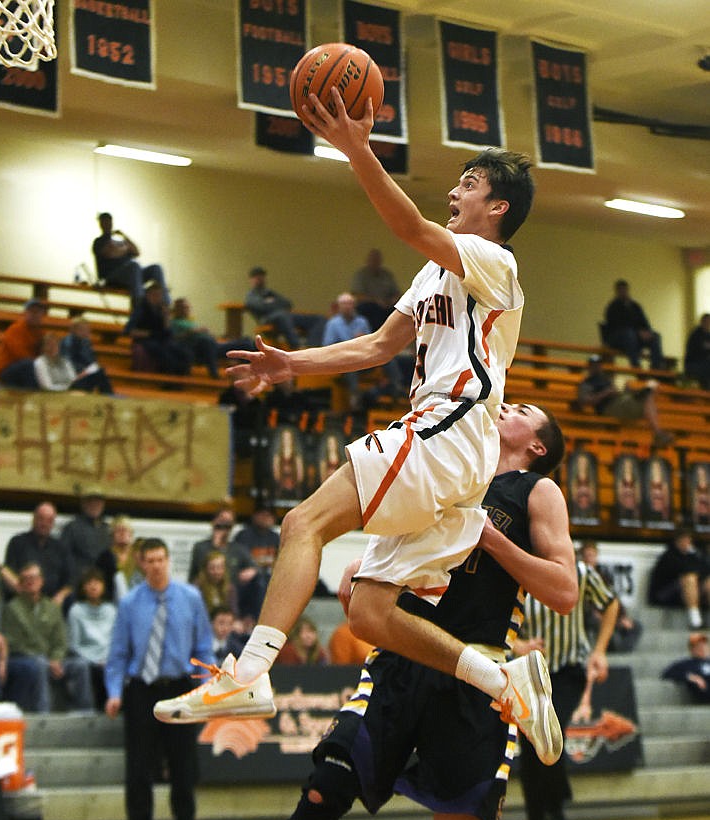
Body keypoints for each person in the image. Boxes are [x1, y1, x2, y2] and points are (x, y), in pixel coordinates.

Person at [154, 112, 562, 769]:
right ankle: (502, 679)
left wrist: (355, 149)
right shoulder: (434, 275)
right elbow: (378, 346)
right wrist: (292, 364)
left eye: (470, 182)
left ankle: (251, 672)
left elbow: (406, 226)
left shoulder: (495, 261)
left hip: (449, 427)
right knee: (368, 612)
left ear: (498, 206)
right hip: (458, 450)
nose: (455, 192)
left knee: (302, 521)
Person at [184, 401, 576, 820]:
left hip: (476, 677)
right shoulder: (449, 466)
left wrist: (493, 542)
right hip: (399, 661)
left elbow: (566, 590)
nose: (505, 407)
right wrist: (365, 568)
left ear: (538, 445)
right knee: (324, 788)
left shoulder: (536, 492)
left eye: (521, 410)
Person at [104, 538, 215, 820]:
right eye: (149, 560)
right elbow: (118, 654)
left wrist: (205, 687)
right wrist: (114, 693)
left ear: (168, 561)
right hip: (142, 689)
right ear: (141, 564)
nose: (155, 565)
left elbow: (204, 647)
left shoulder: (191, 598)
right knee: (138, 769)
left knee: (184, 767)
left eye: (160, 559)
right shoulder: (129, 603)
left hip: (180, 687)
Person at [513, 557, 619, 820]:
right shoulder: (517, 569)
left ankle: (557, 807)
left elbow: (610, 604)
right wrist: (519, 645)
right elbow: (495, 619)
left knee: (550, 729)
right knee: (532, 755)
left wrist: (599, 650)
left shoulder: (581, 572)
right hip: (530, 672)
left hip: (569, 669)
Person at [1, 562, 93, 713]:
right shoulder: (12, 608)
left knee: (80, 665)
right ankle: (44, 714)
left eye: (35, 577)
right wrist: (44, 659)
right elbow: (13, 643)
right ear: (20, 583)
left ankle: (85, 713)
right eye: (26, 578)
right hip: (24, 659)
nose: (31, 581)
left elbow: (61, 640)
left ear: (42, 581)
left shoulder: (51, 607)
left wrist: (56, 658)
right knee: (39, 664)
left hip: (51, 659)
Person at [576, 354, 672, 447]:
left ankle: (658, 432)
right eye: (594, 365)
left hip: (621, 402)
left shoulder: (607, 379)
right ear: (590, 367)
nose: (597, 367)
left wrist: (626, 389)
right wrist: (605, 393)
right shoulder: (586, 383)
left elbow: (618, 392)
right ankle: (658, 433)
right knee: (647, 400)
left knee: (647, 396)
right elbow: (584, 401)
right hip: (608, 408)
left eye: (598, 364)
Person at [92, 212, 169, 310]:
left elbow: (136, 251)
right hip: (113, 276)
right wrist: (125, 249)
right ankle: (139, 306)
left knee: (156, 268)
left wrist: (124, 237)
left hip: (132, 274)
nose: (108, 224)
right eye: (105, 222)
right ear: (101, 224)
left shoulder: (120, 240)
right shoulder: (98, 242)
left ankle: (166, 303)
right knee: (134, 266)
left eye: (109, 221)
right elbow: (111, 253)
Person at [5, 501, 73, 608]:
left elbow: (69, 582)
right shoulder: (17, 542)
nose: (44, 523)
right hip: (22, 603)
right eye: (41, 518)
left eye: (49, 520)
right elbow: (8, 573)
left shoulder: (61, 548)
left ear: (53, 522)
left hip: (52, 605)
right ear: (33, 518)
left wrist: (61, 596)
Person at [578, 541, 643, 653]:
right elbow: (581, 601)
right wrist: (598, 614)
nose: (589, 559)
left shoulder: (604, 575)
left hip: (608, 612)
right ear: (581, 557)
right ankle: (612, 646)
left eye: (592, 556)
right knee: (597, 621)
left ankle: (623, 650)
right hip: (590, 615)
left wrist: (622, 616)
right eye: (587, 556)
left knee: (636, 625)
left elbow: (613, 598)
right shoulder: (578, 576)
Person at [67, 567, 117, 710]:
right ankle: (86, 711)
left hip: (108, 658)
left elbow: (115, 641)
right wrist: (94, 660)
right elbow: (74, 644)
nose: (93, 586)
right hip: (85, 658)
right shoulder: (75, 611)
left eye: (97, 582)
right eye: (89, 583)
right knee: (83, 667)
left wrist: (106, 659)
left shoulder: (111, 610)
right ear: (83, 587)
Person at [244, 267, 325, 348]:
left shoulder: (269, 292)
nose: (260, 279)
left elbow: (287, 304)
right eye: (257, 277)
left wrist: (270, 303)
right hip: (266, 319)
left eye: (261, 276)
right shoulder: (251, 296)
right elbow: (261, 307)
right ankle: (296, 346)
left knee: (318, 319)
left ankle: (312, 346)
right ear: (251, 279)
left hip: (285, 316)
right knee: (282, 315)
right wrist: (274, 304)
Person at [647, 528, 710, 630]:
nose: (686, 543)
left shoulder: (694, 554)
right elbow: (683, 571)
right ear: (677, 541)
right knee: (689, 578)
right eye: (684, 540)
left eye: (688, 540)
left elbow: (706, 570)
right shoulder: (668, 556)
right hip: (666, 594)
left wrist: (695, 555)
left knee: (708, 582)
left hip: (691, 592)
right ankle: (695, 621)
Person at [126, 282, 192, 376]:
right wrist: (151, 334)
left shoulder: (161, 309)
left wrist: (166, 318)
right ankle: (169, 379)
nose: (157, 298)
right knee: (164, 354)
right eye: (155, 295)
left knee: (185, 353)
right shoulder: (140, 309)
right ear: (148, 295)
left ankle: (180, 378)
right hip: (146, 339)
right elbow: (128, 331)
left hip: (161, 339)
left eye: (159, 295)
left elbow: (167, 332)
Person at [321, 291, 373, 411]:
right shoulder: (333, 324)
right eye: (344, 304)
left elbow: (372, 342)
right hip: (343, 360)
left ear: (354, 305)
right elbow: (327, 346)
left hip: (364, 357)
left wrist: (363, 339)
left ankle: (394, 387)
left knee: (388, 357)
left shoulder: (362, 321)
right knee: (351, 366)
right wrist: (351, 343)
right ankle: (354, 398)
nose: (347, 306)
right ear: (339, 306)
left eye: (350, 303)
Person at [230, 504, 280, 621]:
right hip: (246, 581)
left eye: (269, 516)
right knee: (258, 581)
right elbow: (238, 561)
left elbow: (280, 562)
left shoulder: (275, 538)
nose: (266, 518)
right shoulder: (244, 536)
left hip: (269, 578)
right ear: (255, 516)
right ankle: (258, 619)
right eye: (263, 515)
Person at [602, 279, 664, 370]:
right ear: (617, 291)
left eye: (625, 290)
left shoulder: (635, 306)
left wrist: (647, 331)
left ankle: (656, 366)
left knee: (655, 336)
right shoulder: (612, 307)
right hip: (618, 338)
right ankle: (636, 365)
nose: (623, 292)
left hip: (635, 336)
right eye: (621, 290)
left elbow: (644, 321)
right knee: (629, 334)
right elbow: (617, 325)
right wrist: (638, 331)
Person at [60, 492, 112, 590]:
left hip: (103, 586)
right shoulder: (72, 528)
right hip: (78, 585)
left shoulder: (107, 529)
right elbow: (64, 558)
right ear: (83, 504)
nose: (95, 505)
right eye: (91, 502)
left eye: (98, 502)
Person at [171, 298, 229, 379]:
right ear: (177, 309)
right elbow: (175, 337)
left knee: (245, 342)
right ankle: (214, 374)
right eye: (184, 307)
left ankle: (249, 374)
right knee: (207, 341)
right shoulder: (174, 322)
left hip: (212, 344)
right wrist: (193, 331)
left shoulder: (190, 322)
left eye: (188, 307)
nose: (187, 309)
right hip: (195, 345)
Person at [0, 298, 44, 388]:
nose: (35, 315)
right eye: (32, 312)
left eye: (38, 312)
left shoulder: (40, 332)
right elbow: (20, 354)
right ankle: (33, 395)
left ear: (42, 315)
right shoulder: (15, 329)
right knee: (29, 365)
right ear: (25, 313)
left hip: (28, 367)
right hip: (8, 370)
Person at [350, 247, 402, 331]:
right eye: (373, 259)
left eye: (377, 259)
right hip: (369, 306)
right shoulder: (361, 275)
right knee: (373, 310)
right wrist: (376, 301)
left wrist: (393, 300)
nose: (375, 262)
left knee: (399, 311)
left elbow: (396, 292)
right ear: (368, 261)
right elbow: (357, 295)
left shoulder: (386, 274)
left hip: (387, 304)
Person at [59, 318, 115, 393]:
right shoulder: (67, 342)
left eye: (87, 330)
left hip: (85, 372)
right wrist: (86, 369)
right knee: (97, 372)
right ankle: (108, 394)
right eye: (82, 329)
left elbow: (92, 360)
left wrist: (93, 368)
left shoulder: (85, 342)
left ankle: (108, 394)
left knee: (99, 371)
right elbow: (67, 362)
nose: (85, 332)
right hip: (72, 373)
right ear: (73, 330)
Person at [95, 515, 142, 603]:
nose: (122, 533)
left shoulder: (139, 554)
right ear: (112, 535)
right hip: (112, 601)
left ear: (131, 534)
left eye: (125, 530)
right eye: (118, 531)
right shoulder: (105, 557)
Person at [661, 631, 710, 703]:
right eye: (698, 646)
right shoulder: (686, 664)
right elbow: (667, 673)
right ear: (691, 649)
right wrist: (690, 677)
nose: (702, 648)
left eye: (704, 645)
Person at [192, 549, 236, 616]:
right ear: (205, 569)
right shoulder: (197, 588)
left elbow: (234, 612)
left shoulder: (229, 588)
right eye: (212, 568)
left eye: (219, 567)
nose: (216, 572)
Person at [683, 313, 710, 389]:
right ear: (702, 322)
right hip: (694, 364)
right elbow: (696, 351)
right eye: (706, 321)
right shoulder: (695, 335)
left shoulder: (708, 335)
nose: (708, 324)